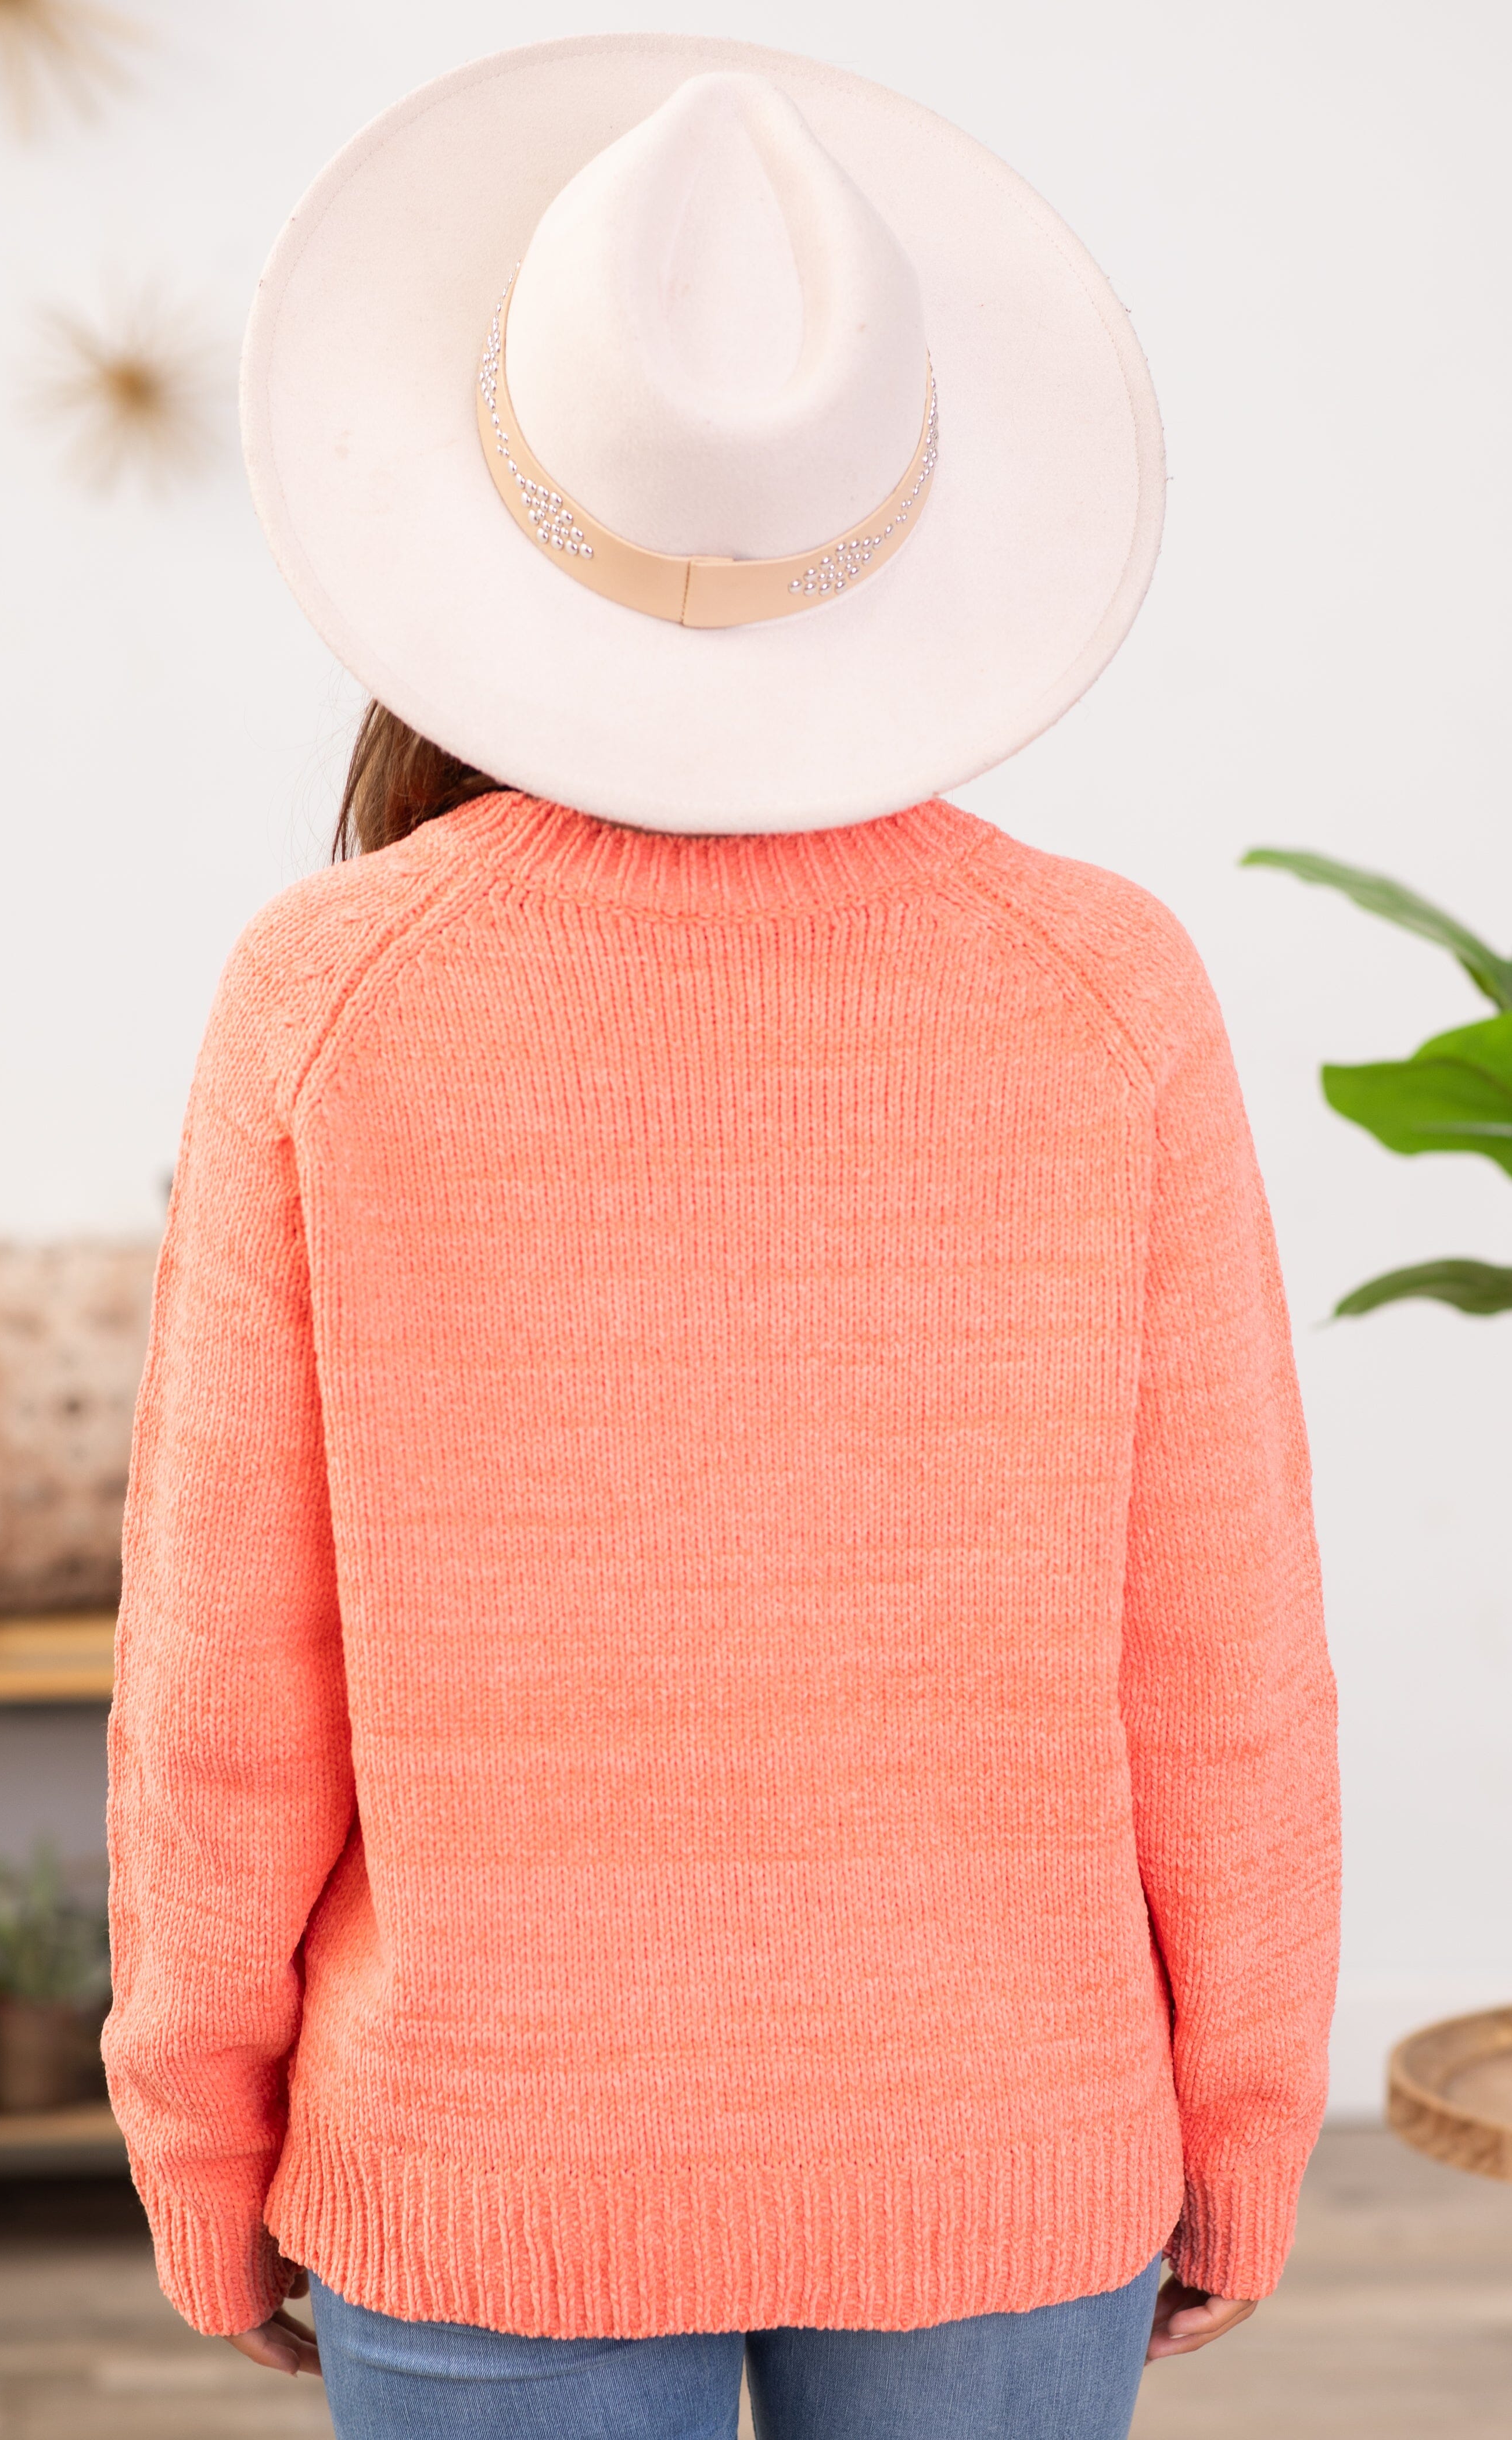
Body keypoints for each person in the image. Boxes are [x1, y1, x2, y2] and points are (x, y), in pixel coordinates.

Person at [102, 39, 1340, 2440]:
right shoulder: (1104, 989)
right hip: (1006, 2140)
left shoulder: (331, 993)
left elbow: (229, 1671)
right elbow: (1222, 1651)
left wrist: (203, 2131)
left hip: (483, 2148)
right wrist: (1241, 2113)